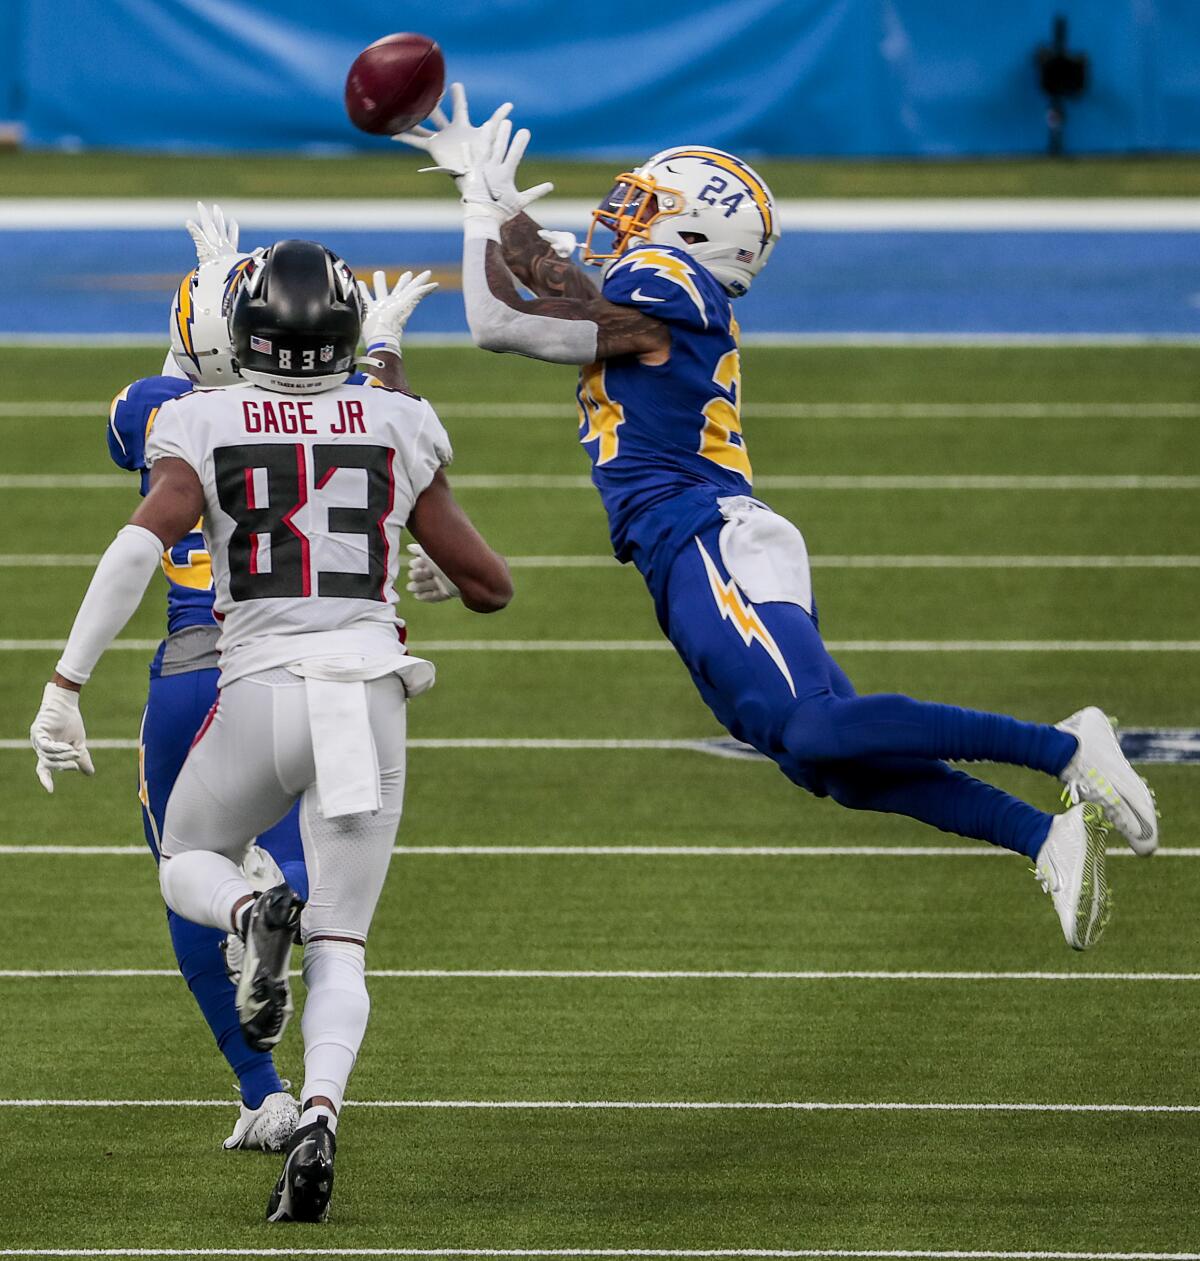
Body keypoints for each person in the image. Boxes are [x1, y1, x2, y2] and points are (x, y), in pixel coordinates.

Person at [397, 89, 1158, 953]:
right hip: (691, 541)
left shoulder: (671, 281)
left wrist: (482, 207)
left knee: (817, 731)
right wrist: (490, 200)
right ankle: (1042, 836)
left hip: (706, 534)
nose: (624, 217)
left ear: (690, 236)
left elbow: (501, 319)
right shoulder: (661, 288)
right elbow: (553, 281)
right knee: (822, 762)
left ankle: (1065, 748)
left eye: (651, 207)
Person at [29, 239, 512, 1221]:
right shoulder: (396, 415)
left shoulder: (192, 415)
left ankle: (250, 947)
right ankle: (322, 1109)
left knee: (185, 859)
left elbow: (136, 546)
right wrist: (417, 554)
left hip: (241, 681)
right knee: (342, 941)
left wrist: (65, 681)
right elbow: (489, 585)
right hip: (364, 695)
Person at [95, 204, 437, 1152]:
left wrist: (197, 304)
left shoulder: (168, 412)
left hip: (199, 667)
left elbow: (163, 405)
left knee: (185, 869)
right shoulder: (352, 404)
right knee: (318, 880)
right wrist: (389, 348)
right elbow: (385, 418)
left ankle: (262, 1090)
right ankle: (279, 950)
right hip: (328, 657)